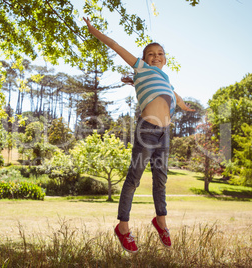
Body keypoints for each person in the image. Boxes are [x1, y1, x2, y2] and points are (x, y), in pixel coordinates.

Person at [83, 17, 195, 253]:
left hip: (165, 133)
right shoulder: (141, 68)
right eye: (151, 53)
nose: (156, 56)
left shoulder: (165, 78)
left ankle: (160, 221)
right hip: (147, 130)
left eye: (160, 53)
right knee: (134, 178)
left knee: (161, 179)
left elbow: (175, 95)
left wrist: (184, 106)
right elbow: (116, 46)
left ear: (165, 59)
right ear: (144, 59)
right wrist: (95, 32)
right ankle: (123, 227)